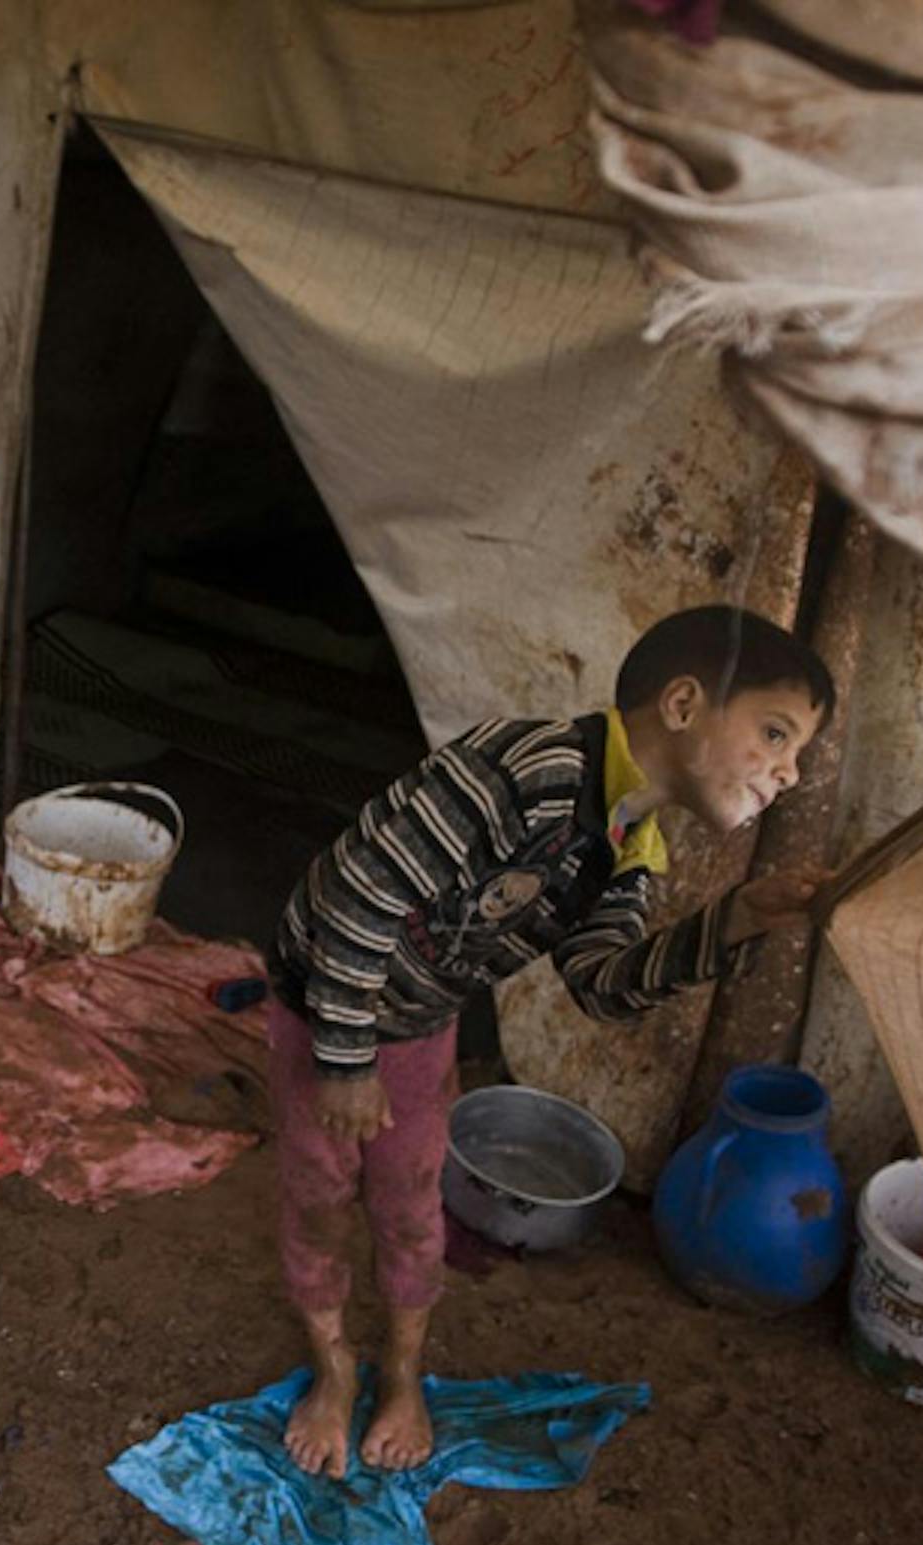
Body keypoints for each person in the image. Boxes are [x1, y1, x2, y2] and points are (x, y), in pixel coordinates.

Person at [267, 605, 836, 1479]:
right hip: (324, 1005)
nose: (789, 772)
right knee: (317, 1195)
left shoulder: (631, 847)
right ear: (683, 704)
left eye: (794, 751)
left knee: (411, 1209)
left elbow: (604, 987)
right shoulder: (527, 767)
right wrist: (343, 1059)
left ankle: (405, 1373)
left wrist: (734, 922)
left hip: (419, 1023)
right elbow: (359, 897)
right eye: (774, 733)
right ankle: (335, 1365)